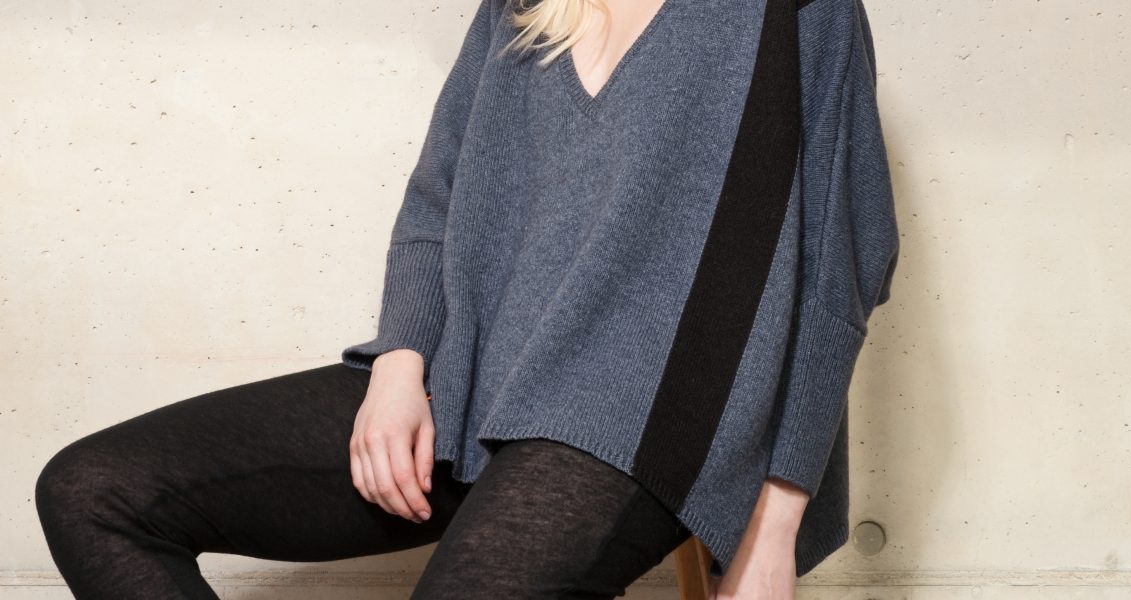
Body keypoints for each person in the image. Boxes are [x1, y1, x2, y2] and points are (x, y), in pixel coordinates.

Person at [35, 0, 899, 598]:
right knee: (94, 492)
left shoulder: (796, 13)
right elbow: (437, 201)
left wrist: (774, 524)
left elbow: (842, 272)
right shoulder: (523, 6)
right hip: (478, 383)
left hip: (651, 421)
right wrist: (399, 367)